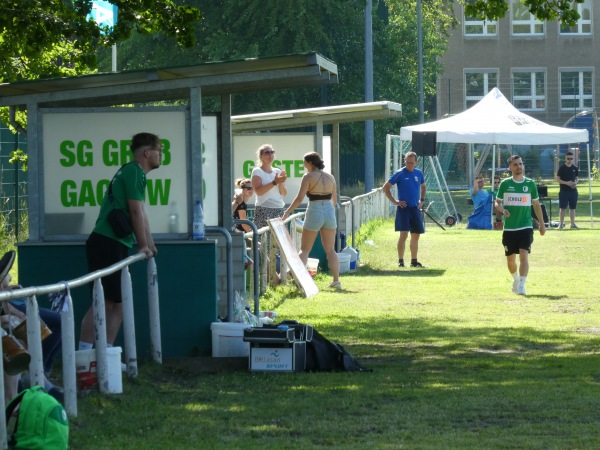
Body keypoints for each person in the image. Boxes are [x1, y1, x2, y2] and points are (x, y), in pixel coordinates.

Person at [78, 132, 161, 351]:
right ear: (147, 152)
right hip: (106, 242)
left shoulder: (135, 173)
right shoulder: (134, 170)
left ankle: (106, 354)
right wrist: (143, 245)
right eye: (158, 150)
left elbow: (141, 212)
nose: (160, 155)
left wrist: (150, 244)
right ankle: (85, 358)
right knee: (103, 302)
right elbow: (134, 211)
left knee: (119, 304)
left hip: (116, 243)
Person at [282, 152, 341, 289]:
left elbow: (299, 198)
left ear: (310, 163)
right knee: (330, 249)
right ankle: (336, 280)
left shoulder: (308, 177)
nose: (303, 165)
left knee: (305, 250)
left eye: (304, 163)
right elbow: (334, 200)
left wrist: (287, 212)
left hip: (315, 210)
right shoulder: (330, 177)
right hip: (329, 210)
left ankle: (298, 281)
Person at [495, 155, 546, 296]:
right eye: (516, 164)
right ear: (510, 167)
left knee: (524, 255)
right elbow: (497, 202)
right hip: (510, 228)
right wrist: (502, 209)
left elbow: (536, 205)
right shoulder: (505, 184)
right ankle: (516, 279)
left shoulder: (530, 184)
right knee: (511, 260)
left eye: (520, 164)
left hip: (526, 226)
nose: (519, 167)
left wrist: (542, 224)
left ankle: (522, 286)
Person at [382, 151, 427, 268]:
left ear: (416, 162)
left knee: (416, 235)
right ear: (404, 161)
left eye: (412, 162)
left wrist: (422, 200)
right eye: (407, 162)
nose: (409, 165)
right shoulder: (400, 173)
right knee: (404, 235)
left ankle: (414, 261)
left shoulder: (419, 173)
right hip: (404, 208)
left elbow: (423, 187)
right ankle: (401, 261)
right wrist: (395, 201)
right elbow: (385, 187)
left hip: (415, 208)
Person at [251, 144, 287, 229]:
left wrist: (280, 182)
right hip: (264, 209)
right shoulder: (257, 171)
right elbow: (259, 192)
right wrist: (274, 182)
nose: (270, 155)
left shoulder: (277, 171)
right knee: (264, 240)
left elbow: (283, 193)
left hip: (279, 209)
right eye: (267, 152)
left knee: (278, 241)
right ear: (260, 156)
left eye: (272, 152)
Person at [555, 151, 579, 229]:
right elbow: (557, 179)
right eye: (568, 158)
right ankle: (561, 224)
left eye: (571, 158)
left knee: (573, 208)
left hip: (573, 191)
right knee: (562, 208)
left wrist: (575, 183)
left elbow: (577, 178)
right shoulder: (562, 168)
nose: (570, 160)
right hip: (564, 191)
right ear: (565, 158)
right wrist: (566, 183)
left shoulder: (575, 168)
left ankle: (572, 224)